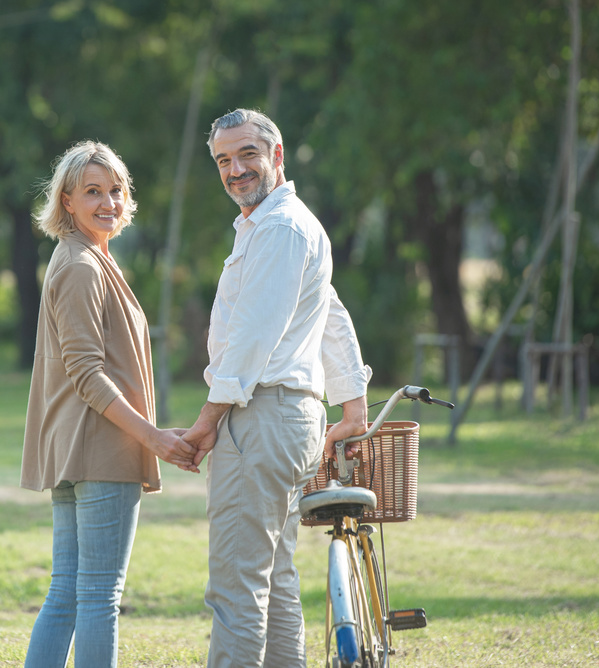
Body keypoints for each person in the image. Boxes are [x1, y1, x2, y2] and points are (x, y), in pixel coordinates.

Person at [183, 109, 373, 667]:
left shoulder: (280, 227)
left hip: (263, 418)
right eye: (223, 160)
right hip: (289, 423)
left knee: (237, 589)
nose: (235, 170)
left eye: (247, 154)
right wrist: (354, 403)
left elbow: (252, 338)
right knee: (275, 582)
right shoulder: (280, 225)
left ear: (278, 154)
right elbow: (329, 311)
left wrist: (206, 420)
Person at [21, 140, 196, 668]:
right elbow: (87, 374)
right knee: (97, 596)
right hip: (100, 450)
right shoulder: (80, 265)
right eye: (92, 191)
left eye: (116, 190)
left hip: (83, 451)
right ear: (67, 201)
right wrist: (154, 436)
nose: (108, 202)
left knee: (70, 593)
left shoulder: (90, 257)